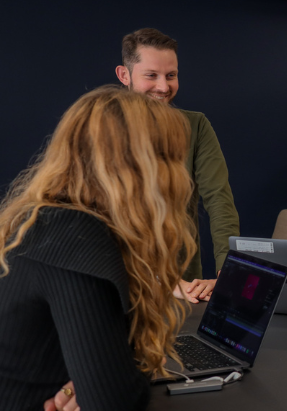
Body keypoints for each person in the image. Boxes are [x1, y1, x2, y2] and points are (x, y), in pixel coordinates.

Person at [0, 86, 196, 410]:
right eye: (171, 157)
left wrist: (90, 382)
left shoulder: (38, 219)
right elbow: (116, 402)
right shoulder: (73, 236)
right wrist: (119, 372)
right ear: (140, 168)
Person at [115, 28, 239, 303]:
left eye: (171, 75)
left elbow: (219, 200)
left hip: (183, 282)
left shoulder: (196, 126)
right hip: (117, 280)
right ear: (125, 75)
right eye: (151, 75)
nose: (163, 86)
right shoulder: (101, 128)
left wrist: (228, 272)